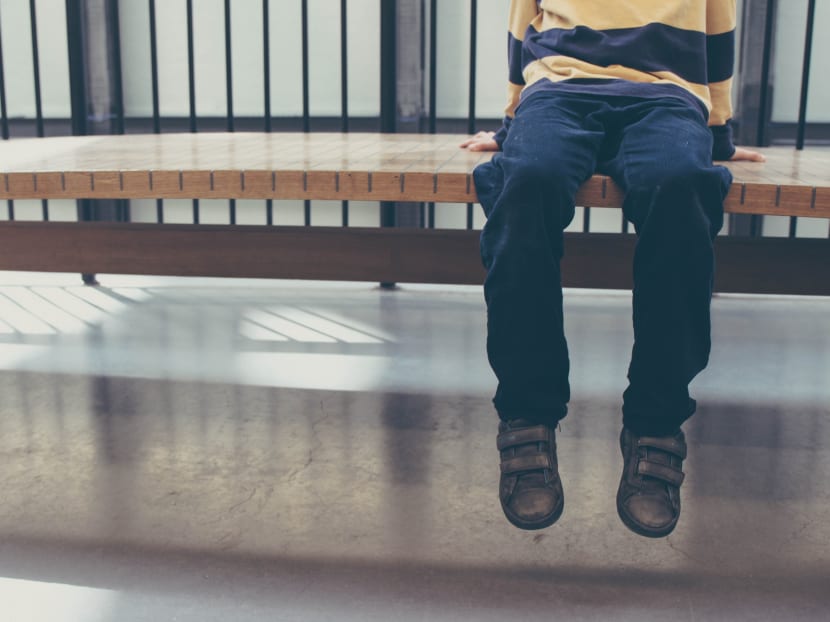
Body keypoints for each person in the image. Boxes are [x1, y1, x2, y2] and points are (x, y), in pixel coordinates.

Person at [461, 0, 764, 537]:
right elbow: (520, 26)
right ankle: (528, 414)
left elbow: (718, 35)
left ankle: (656, 421)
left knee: (681, 186)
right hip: (557, 92)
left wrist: (717, 136)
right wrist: (511, 125)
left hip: (667, 98)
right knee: (525, 182)